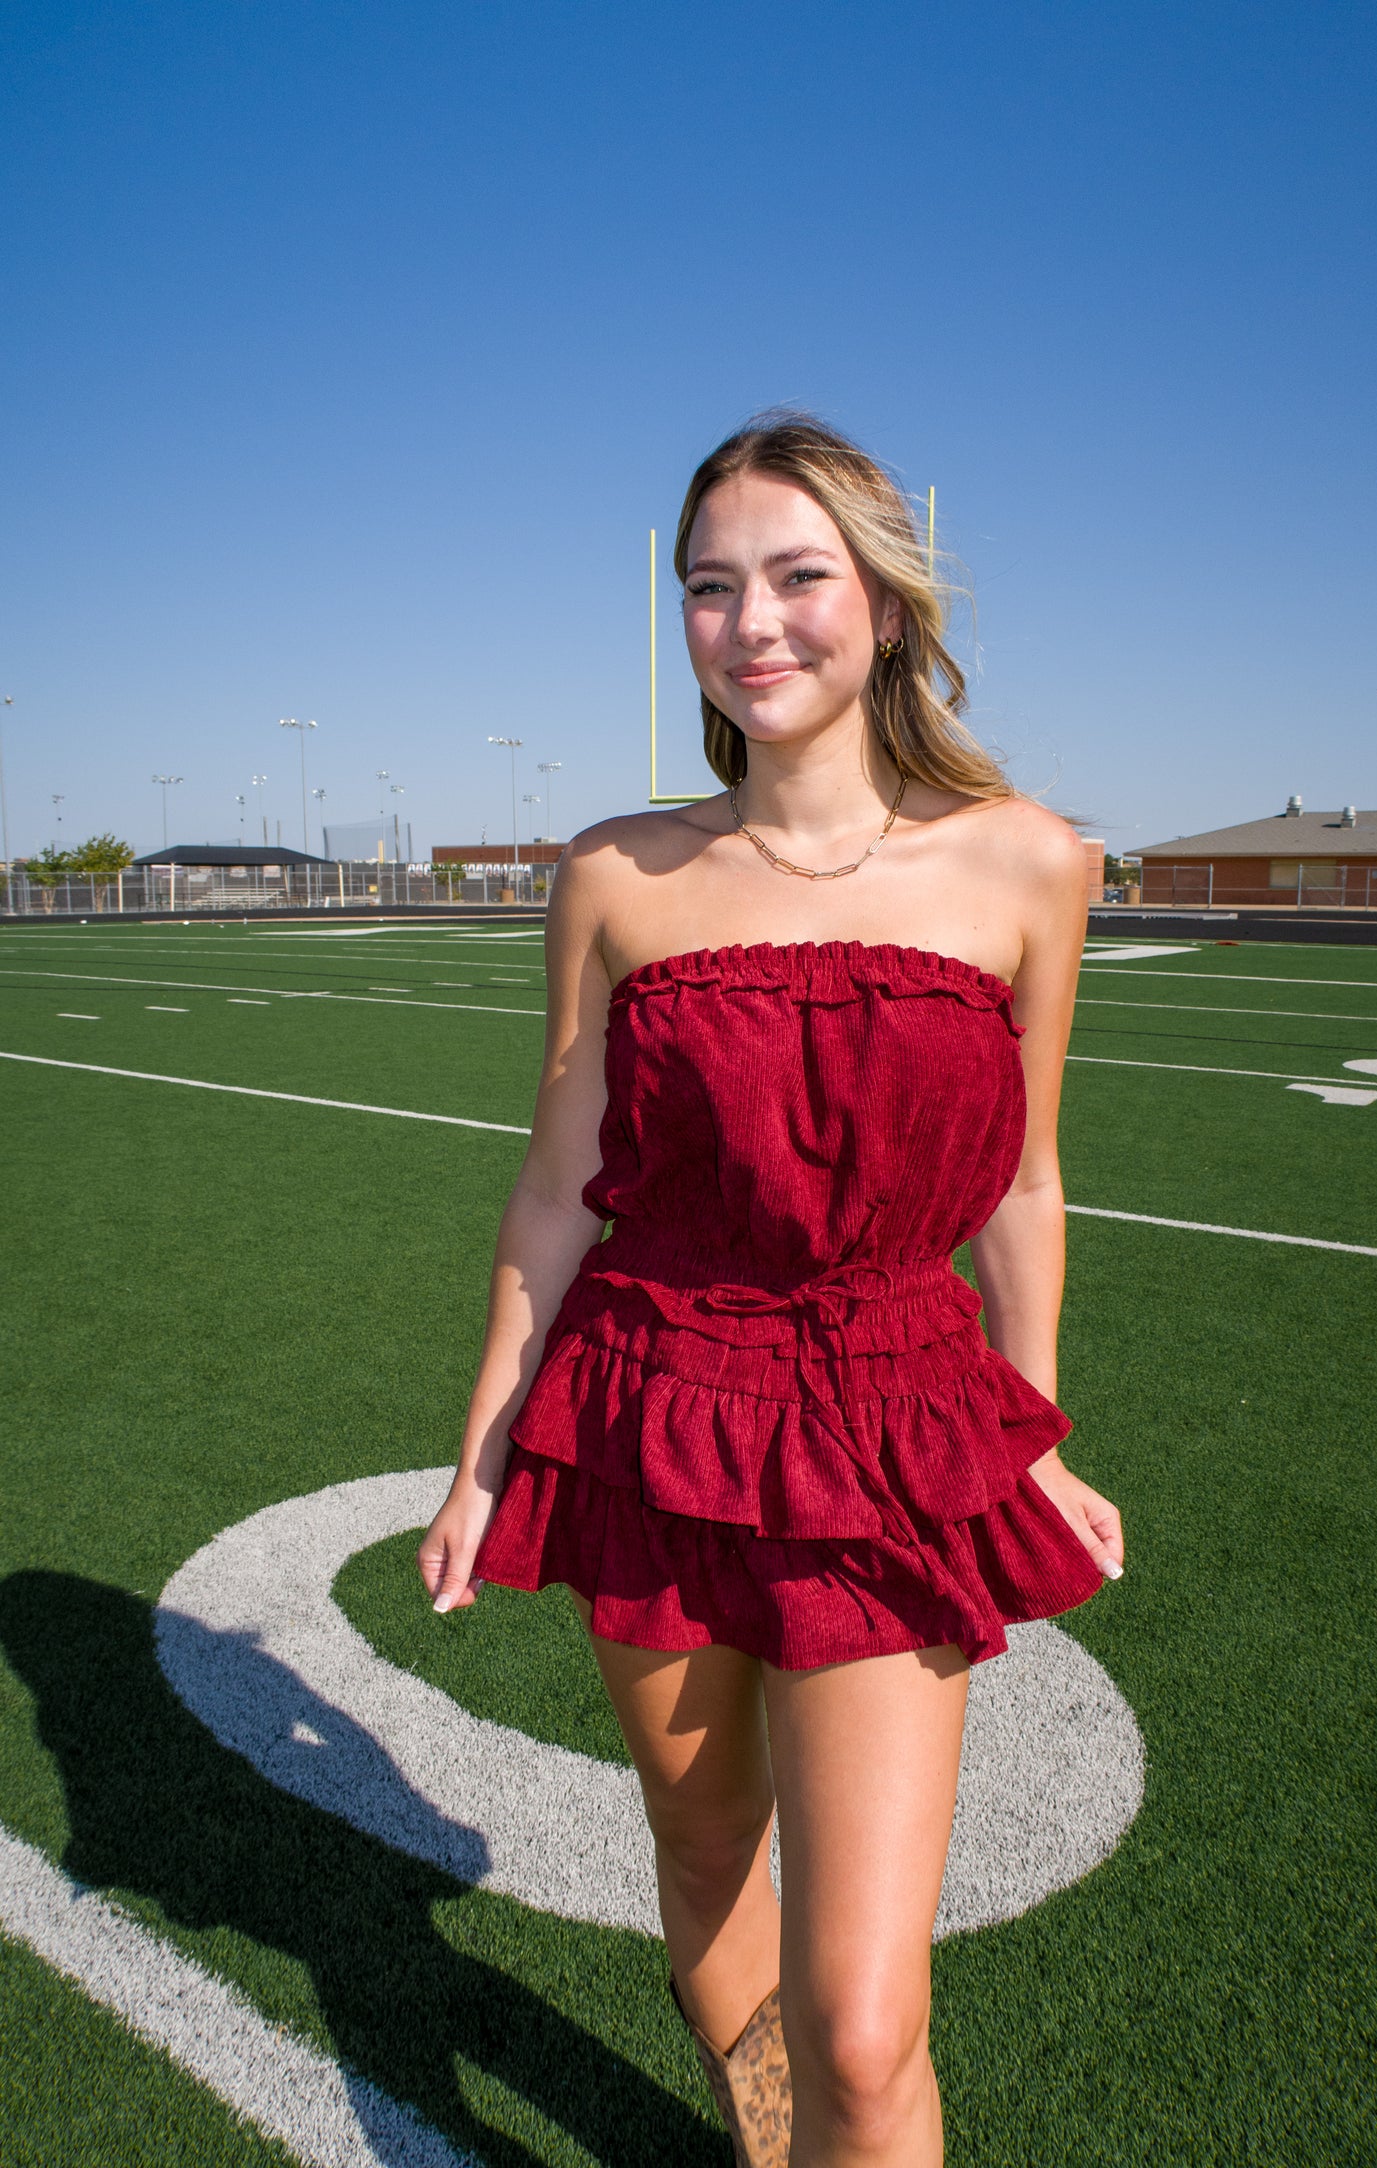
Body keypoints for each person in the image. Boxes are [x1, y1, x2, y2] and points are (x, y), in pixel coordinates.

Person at [419, 413, 1124, 2168]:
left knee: (869, 2031)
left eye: (798, 577)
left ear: (883, 605)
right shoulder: (615, 875)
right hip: (650, 1409)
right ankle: (760, 2136)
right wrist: (483, 1451)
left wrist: (1028, 1435)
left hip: (893, 1425)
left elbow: (1024, 1184)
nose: (752, 622)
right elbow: (558, 1186)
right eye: (710, 587)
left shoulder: (1031, 863)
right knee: (703, 1841)